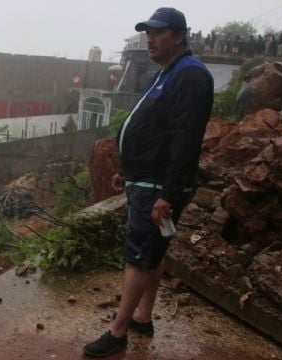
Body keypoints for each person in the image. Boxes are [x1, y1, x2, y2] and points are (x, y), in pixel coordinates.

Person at [83, 7, 213, 358]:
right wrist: (127, 169)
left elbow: (187, 140)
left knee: (139, 256)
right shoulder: (165, 73)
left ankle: (118, 332)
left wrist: (168, 195)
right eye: (147, 34)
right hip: (145, 181)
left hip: (159, 188)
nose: (150, 39)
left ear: (179, 36)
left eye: (158, 33)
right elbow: (154, 129)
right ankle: (142, 316)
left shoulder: (191, 77)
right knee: (153, 253)